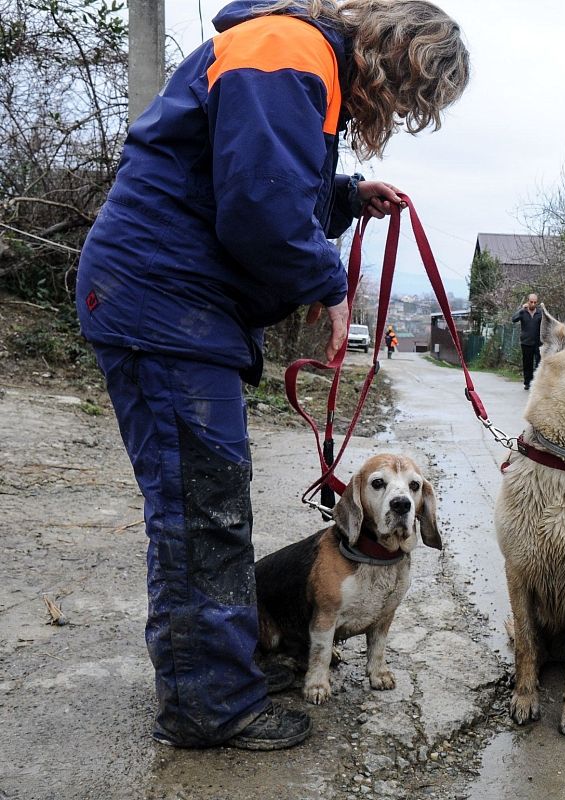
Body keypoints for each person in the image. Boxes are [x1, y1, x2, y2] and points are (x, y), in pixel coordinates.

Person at [74, 0, 468, 750]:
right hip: (163, 299)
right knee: (202, 511)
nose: (397, 112)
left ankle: (215, 675)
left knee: (207, 502)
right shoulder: (287, 50)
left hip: (173, 301)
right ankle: (208, 704)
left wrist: (346, 198)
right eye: (413, 97)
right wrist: (329, 282)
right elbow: (257, 205)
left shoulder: (294, 57)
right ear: (396, 60)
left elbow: (261, 174)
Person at [511, 293, 542, 390]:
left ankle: (536, 382)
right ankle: (527, 382)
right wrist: (521, 309)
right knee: (527, 363)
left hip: (538, 342)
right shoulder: (523, 312)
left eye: (535, 302)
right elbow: (514, 319)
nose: (533, 304)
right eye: (531, 302)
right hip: (526, 342)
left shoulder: (540, 313)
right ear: (527, 301)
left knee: (538, 363)